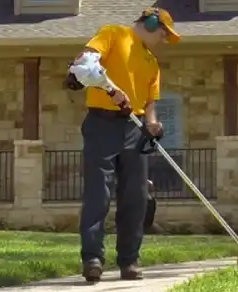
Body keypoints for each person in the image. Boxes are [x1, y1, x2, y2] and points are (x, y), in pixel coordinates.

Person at [72, 7, 180, 281]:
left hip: (135, 128)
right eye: (165, 35)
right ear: (153, 22)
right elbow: (87, 62)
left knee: (137, 197)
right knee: (99, 193)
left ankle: (129, 260)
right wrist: (90, 70)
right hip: (101, 124)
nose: (165, 41)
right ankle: (93, 258)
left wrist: (153, 123)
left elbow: (149, 102)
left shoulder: (152, 63)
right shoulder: (112, 34)